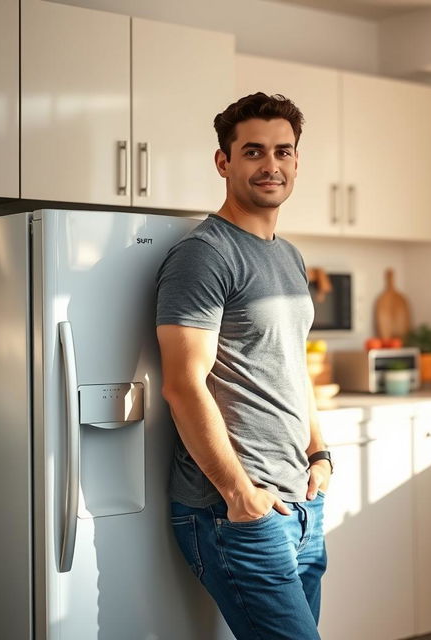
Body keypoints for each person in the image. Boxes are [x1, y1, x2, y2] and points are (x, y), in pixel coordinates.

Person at [155, 93, 333, 640]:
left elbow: (292, 363)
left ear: (297, 162)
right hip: (233, 507)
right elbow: (184, 386)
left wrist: (319, 452)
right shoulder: (205, 254)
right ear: (224, 162)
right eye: (253, 151)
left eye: (284, 151)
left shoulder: (289, 255)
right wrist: (239, 494)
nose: (271, 165)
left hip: (300, 501)